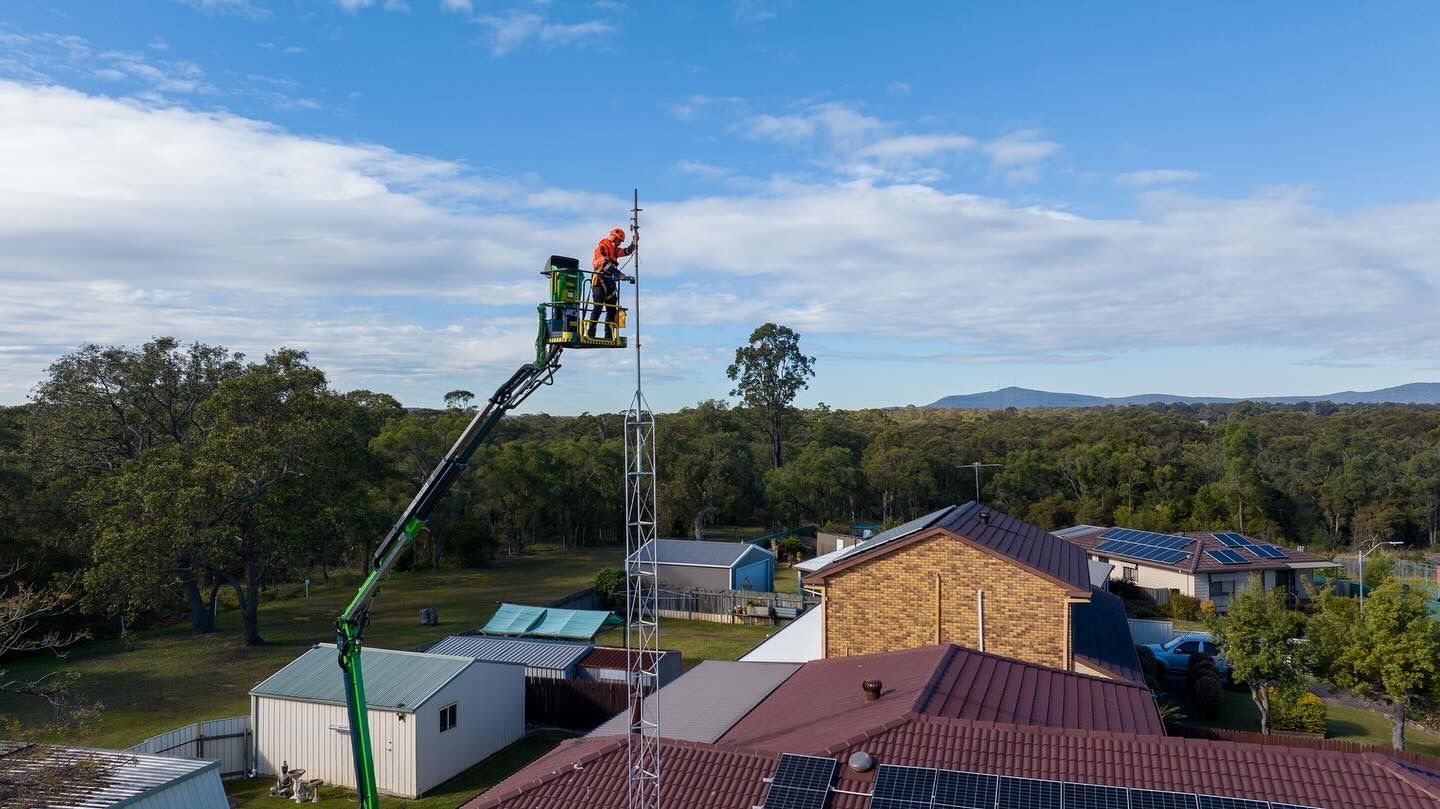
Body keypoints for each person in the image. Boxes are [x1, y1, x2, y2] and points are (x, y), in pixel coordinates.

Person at [589, 227, 635, 338]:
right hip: (599, 282)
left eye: (620, 242)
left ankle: (608, 335)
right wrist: (619, 274)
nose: (619, 243)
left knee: (612, 310)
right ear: (613, 237)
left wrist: (634, 243)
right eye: (618, 240)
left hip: (610, 281)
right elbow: (604, 264)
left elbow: (626, 251)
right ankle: (590, 334)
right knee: (598, 308)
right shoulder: (602, 247)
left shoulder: (614, 249)